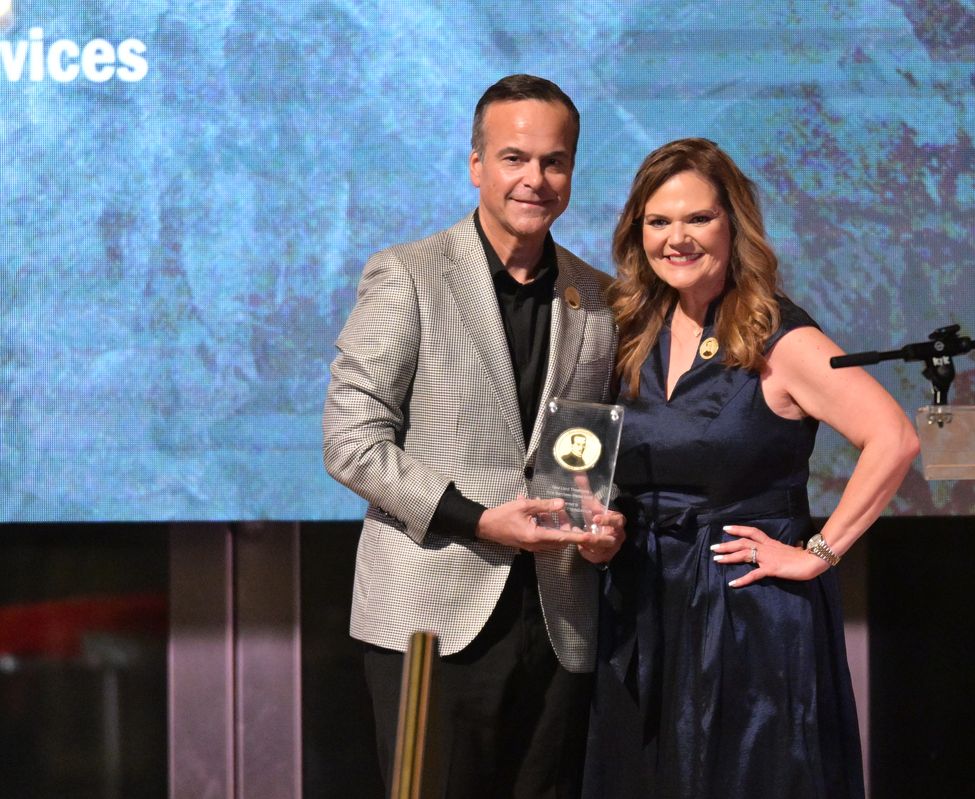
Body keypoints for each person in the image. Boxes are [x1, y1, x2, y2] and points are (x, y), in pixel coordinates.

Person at [586, 138, 919, 799]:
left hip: (745, 614)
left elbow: (895, 436)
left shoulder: (779, 336)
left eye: (697, 218)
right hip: (643, 602)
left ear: (732, 224)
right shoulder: (631, 331)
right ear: (637, 231)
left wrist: (819, 551)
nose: (676, 237)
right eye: (659, 221)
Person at [323, 74, 624, 799]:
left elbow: (599, 452)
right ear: (476, 166)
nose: (535, 179)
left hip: (558, 620)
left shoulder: (602, 298)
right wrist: (478, 518)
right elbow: (351, 439)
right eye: (515, 158)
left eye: (553, 162)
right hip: (430, 621)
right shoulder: (408, 275)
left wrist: (607, 526)